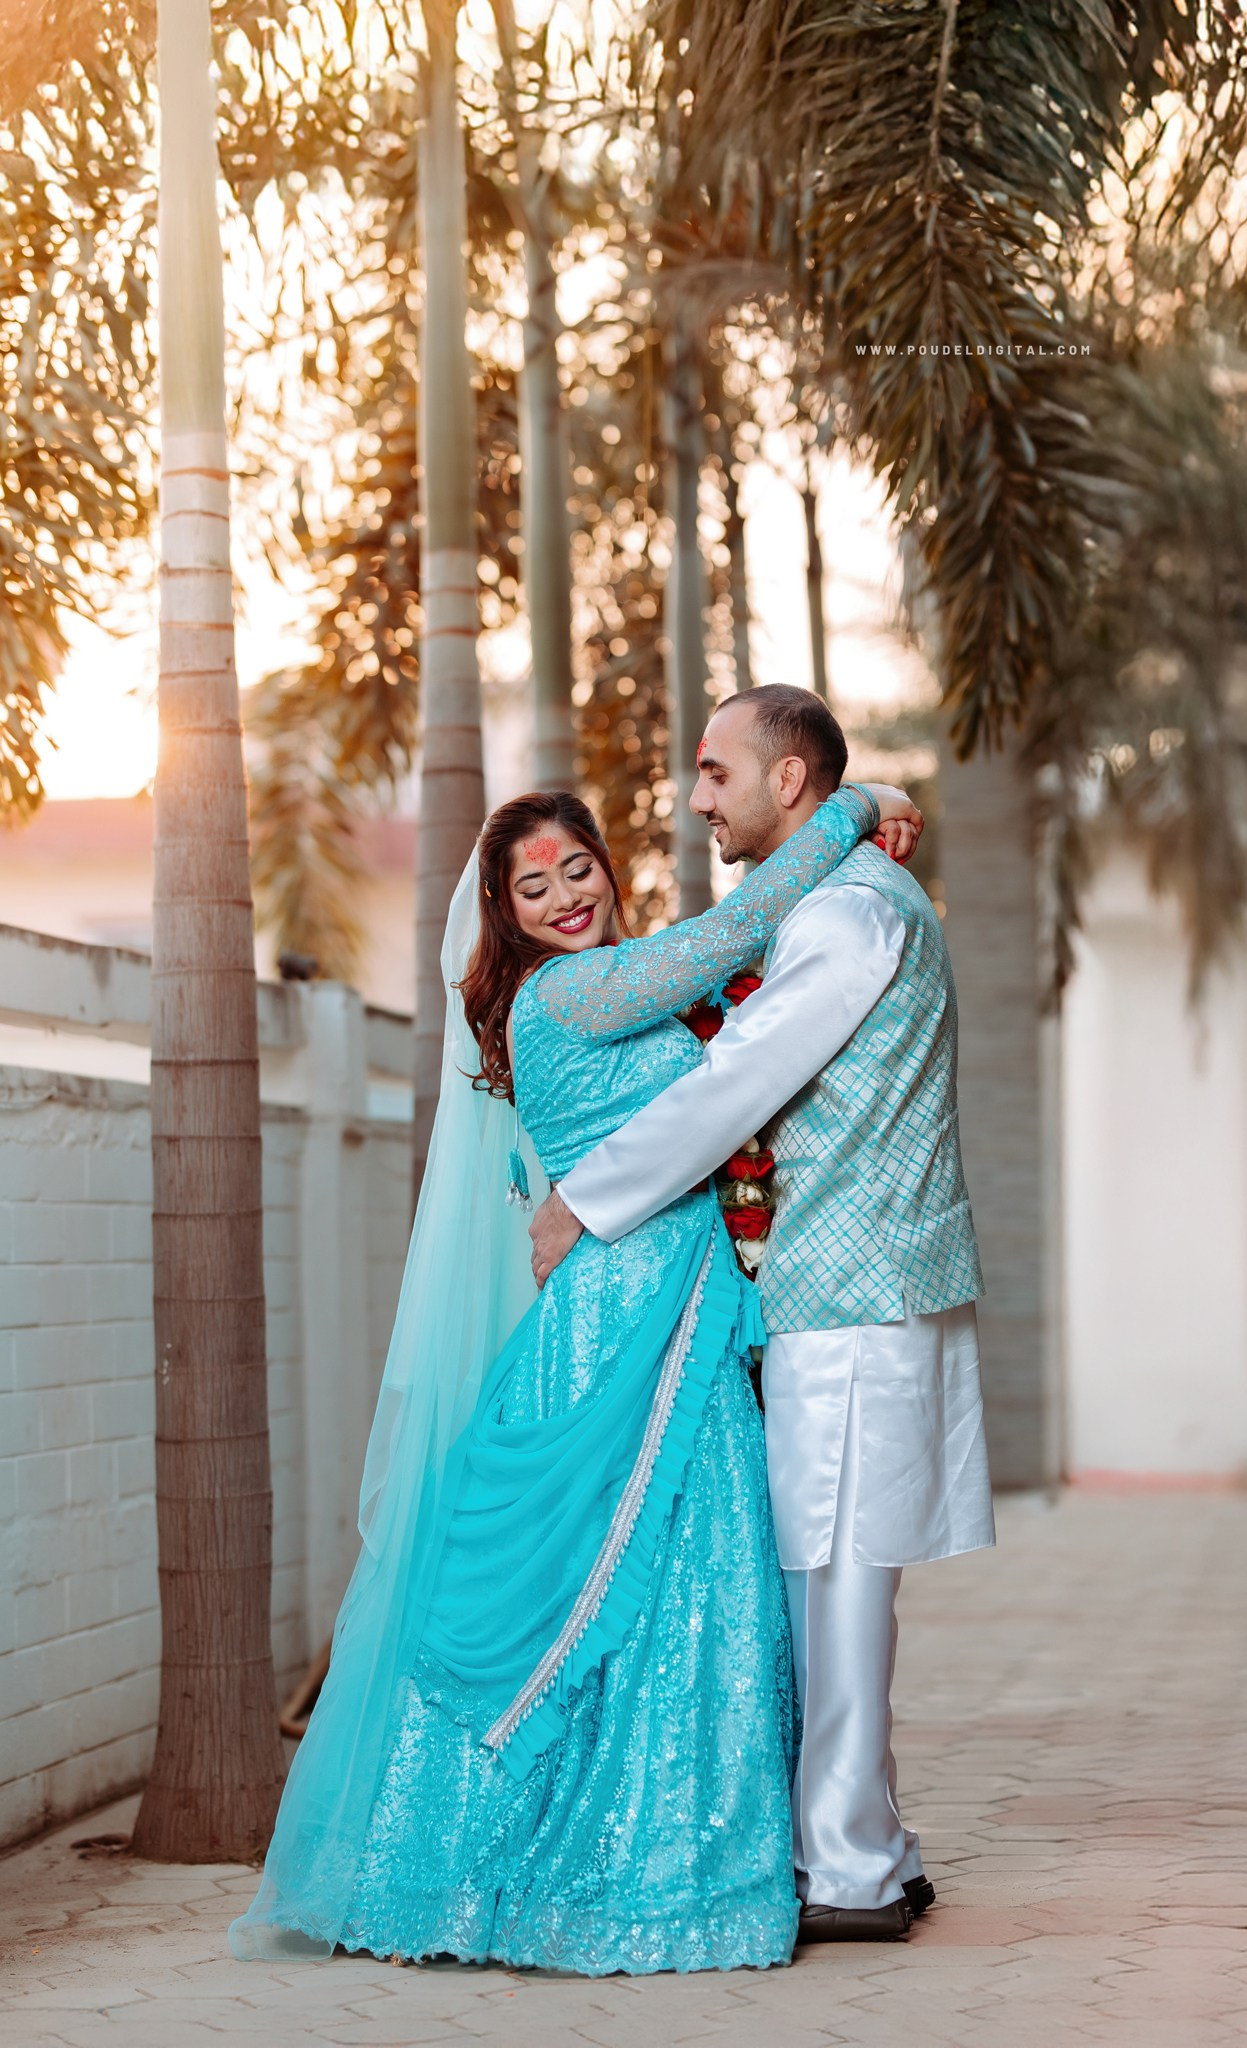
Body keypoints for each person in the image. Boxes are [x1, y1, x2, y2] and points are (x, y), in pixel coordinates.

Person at [230, 770, 923, 1975]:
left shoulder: (611, 988)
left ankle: (646, 1866)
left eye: (577, 868)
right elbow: (739, 930)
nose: (562, 896)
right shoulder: (574, 992)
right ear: (502, 914)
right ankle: (587, 1880)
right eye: (530, 885)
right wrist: (852, 808)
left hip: (673, 1312)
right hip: (620, 1327)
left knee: (683, 1586)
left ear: (608, 865)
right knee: (626, 1587)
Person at [530, 685, 996, 1944]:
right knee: (845, 1575)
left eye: (713, 770)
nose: (695, 798)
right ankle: (874, 1842)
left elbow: (740, 1079)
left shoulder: (843, 915)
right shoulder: (857, 891)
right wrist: (872, 808)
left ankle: (842, 1867)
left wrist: (584, 1198)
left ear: (789, 782)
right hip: (870, 1286)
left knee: (833, 1577)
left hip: (850, 1293)